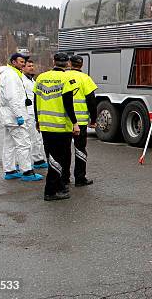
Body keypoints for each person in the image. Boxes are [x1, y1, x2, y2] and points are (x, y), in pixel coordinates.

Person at [34, 53, 80, 201]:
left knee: (51, 157)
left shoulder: (41, 77)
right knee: (58, 159)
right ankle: (50, 191)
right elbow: (68, 103)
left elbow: (35, 100)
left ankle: (60, 185)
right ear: (67, 63)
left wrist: (37, 120)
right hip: (60, 126)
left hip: (45, 125)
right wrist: (75, 122)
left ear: (53, 61)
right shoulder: (67, 78)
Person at [0, 53, 43, 181]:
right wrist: (19, 116)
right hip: (13, 116)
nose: (23, 64)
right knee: (24, 143)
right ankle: (27, 171)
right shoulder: (11, 76)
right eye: (21, 61)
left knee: (10, 144)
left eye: (24, 61)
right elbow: (12, 97)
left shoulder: (9, 74)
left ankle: (10, 170)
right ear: (13, 62)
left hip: (8, 115)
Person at [65, 55, 98, 187]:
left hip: (65, 121)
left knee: (65, 151)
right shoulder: (86, 79)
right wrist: (93, 119)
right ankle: (80, 178)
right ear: (82, 65)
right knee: (80, 149)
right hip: (81, 122)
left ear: (70, 64)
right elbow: (92, 101)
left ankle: (64, 178)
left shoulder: (64, 77)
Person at [21, 59, 47, 170]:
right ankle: (37, 160)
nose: (31, 67)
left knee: (37, 138)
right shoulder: (21, 81)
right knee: (33, 138)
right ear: (22, 68)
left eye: (32, 65)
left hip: (34, 112)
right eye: (28, 66)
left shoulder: (32, 80)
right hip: (28, 113)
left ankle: (38, 159)